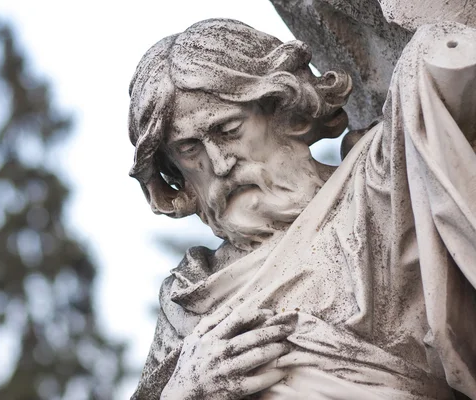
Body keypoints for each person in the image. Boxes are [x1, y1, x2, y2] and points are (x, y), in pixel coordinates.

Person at [128, 18, 476, 399]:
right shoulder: (190, 300)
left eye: (229, 130)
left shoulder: (376, 186)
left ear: (281, 108)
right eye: (190, 148)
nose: (220, 163)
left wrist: (428, 54)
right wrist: (183, 390)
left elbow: (440, 70)